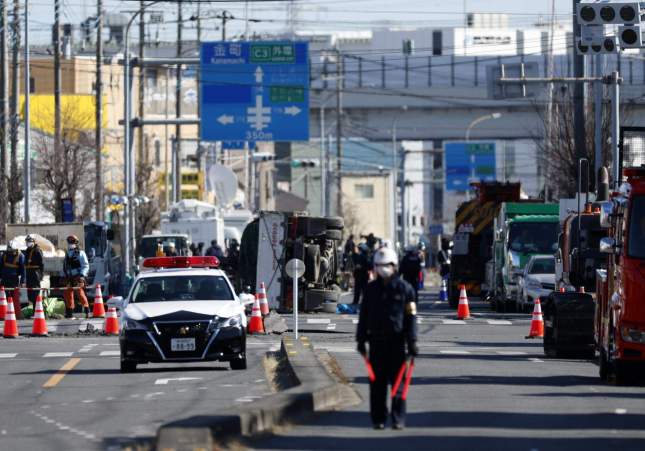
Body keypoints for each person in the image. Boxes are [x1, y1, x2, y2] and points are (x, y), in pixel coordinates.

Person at [356, 247, 418, 430]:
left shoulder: (405, 289)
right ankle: (378, 419)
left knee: (398, 385)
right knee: (377, 385)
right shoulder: (370, 290)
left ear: (395, 266)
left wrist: (412, 341)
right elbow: (363, 316)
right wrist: (360, 340)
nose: (383, 268)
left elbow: (411, 317)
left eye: (387, 265)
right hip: (375, 343)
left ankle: (398, 418)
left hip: (397, 343)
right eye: (379, 265)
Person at [63, 235, 90, 318]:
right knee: (68, 294)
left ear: (76, 243)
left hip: (78, 277)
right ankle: (70, 312)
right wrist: (63, 275)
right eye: (69, 242)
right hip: (69, 276)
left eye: (72, 242)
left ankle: (86, 310)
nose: (70, 244)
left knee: (80, 293)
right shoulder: (67, 254)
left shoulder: (81, 253)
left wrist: (82, 276)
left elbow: (85, 266)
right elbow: (65, 266)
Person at [0, 242, 26, 319]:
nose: (11, 252)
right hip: (4, 278)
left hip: (14, 279)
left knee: (13, 297)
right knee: (4, 297)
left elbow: (23, 270)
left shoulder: (20, 256)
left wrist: (22, 281)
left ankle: (13, 314)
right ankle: (4, 313)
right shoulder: (4, 255)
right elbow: (0, 267)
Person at [23, 235, 44, 308]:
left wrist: (41, 274)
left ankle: (37, 310)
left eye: (29, 241)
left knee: (35, 291)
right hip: (29, 272)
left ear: (33, 242)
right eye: (27, 241)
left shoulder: (37, 250)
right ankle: (34, 310)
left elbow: (41, 263)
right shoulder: (27, 250)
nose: (27, 243)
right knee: (30, 292)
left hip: (35, 273)